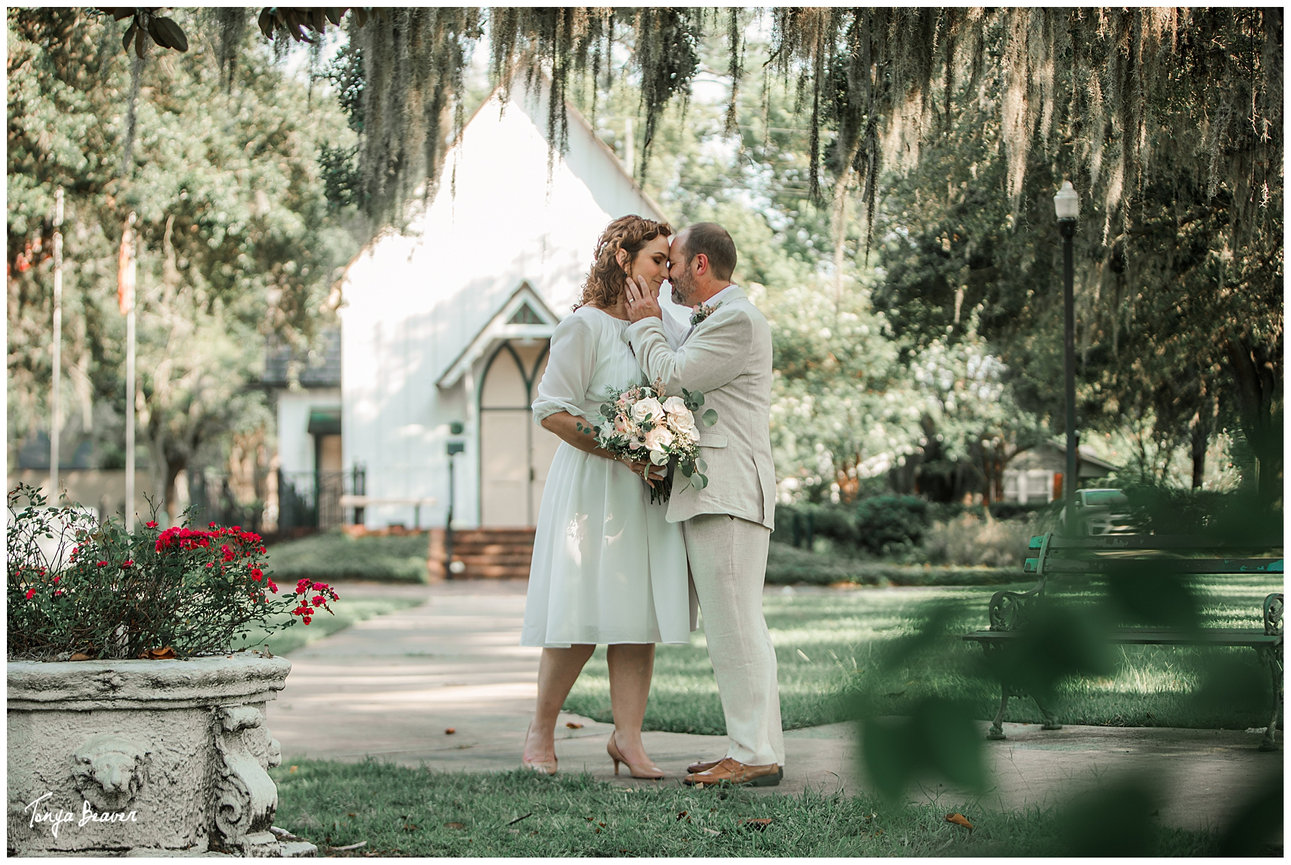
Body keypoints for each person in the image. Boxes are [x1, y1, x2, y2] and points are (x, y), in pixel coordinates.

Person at [520, 214, 694, 780]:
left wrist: (663, 442)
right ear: (623, 259)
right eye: (657, 261)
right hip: (595, 484)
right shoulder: (584, 327)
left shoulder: (664, 325)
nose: (667, 274)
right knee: (579, 615)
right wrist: (624, 449)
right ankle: (541, 732)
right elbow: (552, 412)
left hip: (648, 488)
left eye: (670, 263)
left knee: (637, 616)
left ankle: (629, 739)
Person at [623, 221, 786, 787]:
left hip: (729, 494)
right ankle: (757, 747)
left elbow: (672, 376)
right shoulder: (717, 320)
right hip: (719, 491)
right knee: (741, 629)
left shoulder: (737, 319)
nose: (665, 275)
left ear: (699, 265)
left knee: (734, 631)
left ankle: (753, 753)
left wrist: (644, 324)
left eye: (672, 264)